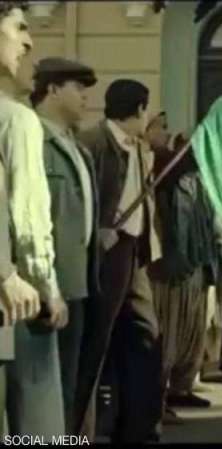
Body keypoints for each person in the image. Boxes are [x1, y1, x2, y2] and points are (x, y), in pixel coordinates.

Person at [73, 79, 163, 443]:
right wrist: (97, 232)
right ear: (140, 109)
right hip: (105, 255)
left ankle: (138, 429)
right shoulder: (92, 143)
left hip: (135, 253)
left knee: (146, 336)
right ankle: (77, 431)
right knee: (96, 343)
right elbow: (77, 199)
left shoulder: (140, 148)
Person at [0, 2, 71, 438]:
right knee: (37, 428)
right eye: (19, 28)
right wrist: (48, 289)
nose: (29, 42)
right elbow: (28, 220)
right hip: (19, 300)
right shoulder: (17, 120)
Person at [31, 57, 100, 434]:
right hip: (46, 287)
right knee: (41, 396)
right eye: (78, 88)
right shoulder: (31, 139)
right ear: (53, 89)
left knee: (68, 388)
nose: (86, 97)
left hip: (78, 285)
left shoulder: (76, 146)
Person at [146, 112, 215, 424]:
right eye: (161, 127)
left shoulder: (192, 177)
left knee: (190, 334)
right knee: (167, 337)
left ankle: (179, 389)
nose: (165, 132)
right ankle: (155, 401)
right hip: (168, 268)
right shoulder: (159, 166)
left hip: (193, 263)